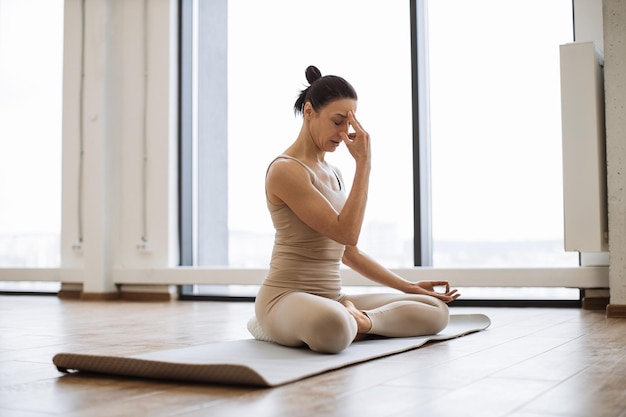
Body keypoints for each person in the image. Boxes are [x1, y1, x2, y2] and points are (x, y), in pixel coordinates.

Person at [252, 65, 460, 354]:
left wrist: (409, 287)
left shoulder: (333, 171)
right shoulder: (286, 170)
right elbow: (348, 234)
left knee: (436, 310)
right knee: (332, 328)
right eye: (338, 121)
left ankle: (360, 322)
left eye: (349, 123)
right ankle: (344, 321)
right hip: (285, 298)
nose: (345, 132)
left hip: (334, 299)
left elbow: (348, 251)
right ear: (309, 112)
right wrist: (364, 164)